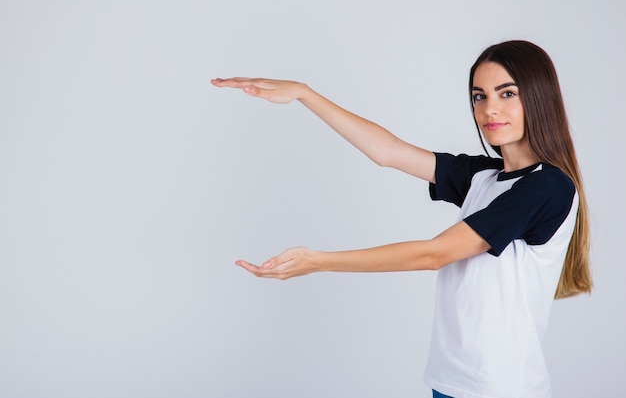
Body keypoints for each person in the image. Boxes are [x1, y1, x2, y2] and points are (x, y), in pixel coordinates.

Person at [211, 40, 592, 398]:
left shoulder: (548, 188)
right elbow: (388, 150)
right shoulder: (484, 177)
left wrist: (319, 261)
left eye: (507, 93)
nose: (490, 109)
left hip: (499, 387)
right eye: (480, 96)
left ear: (540, 97)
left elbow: (435, 254)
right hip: (449, 378)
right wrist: (304, 94)